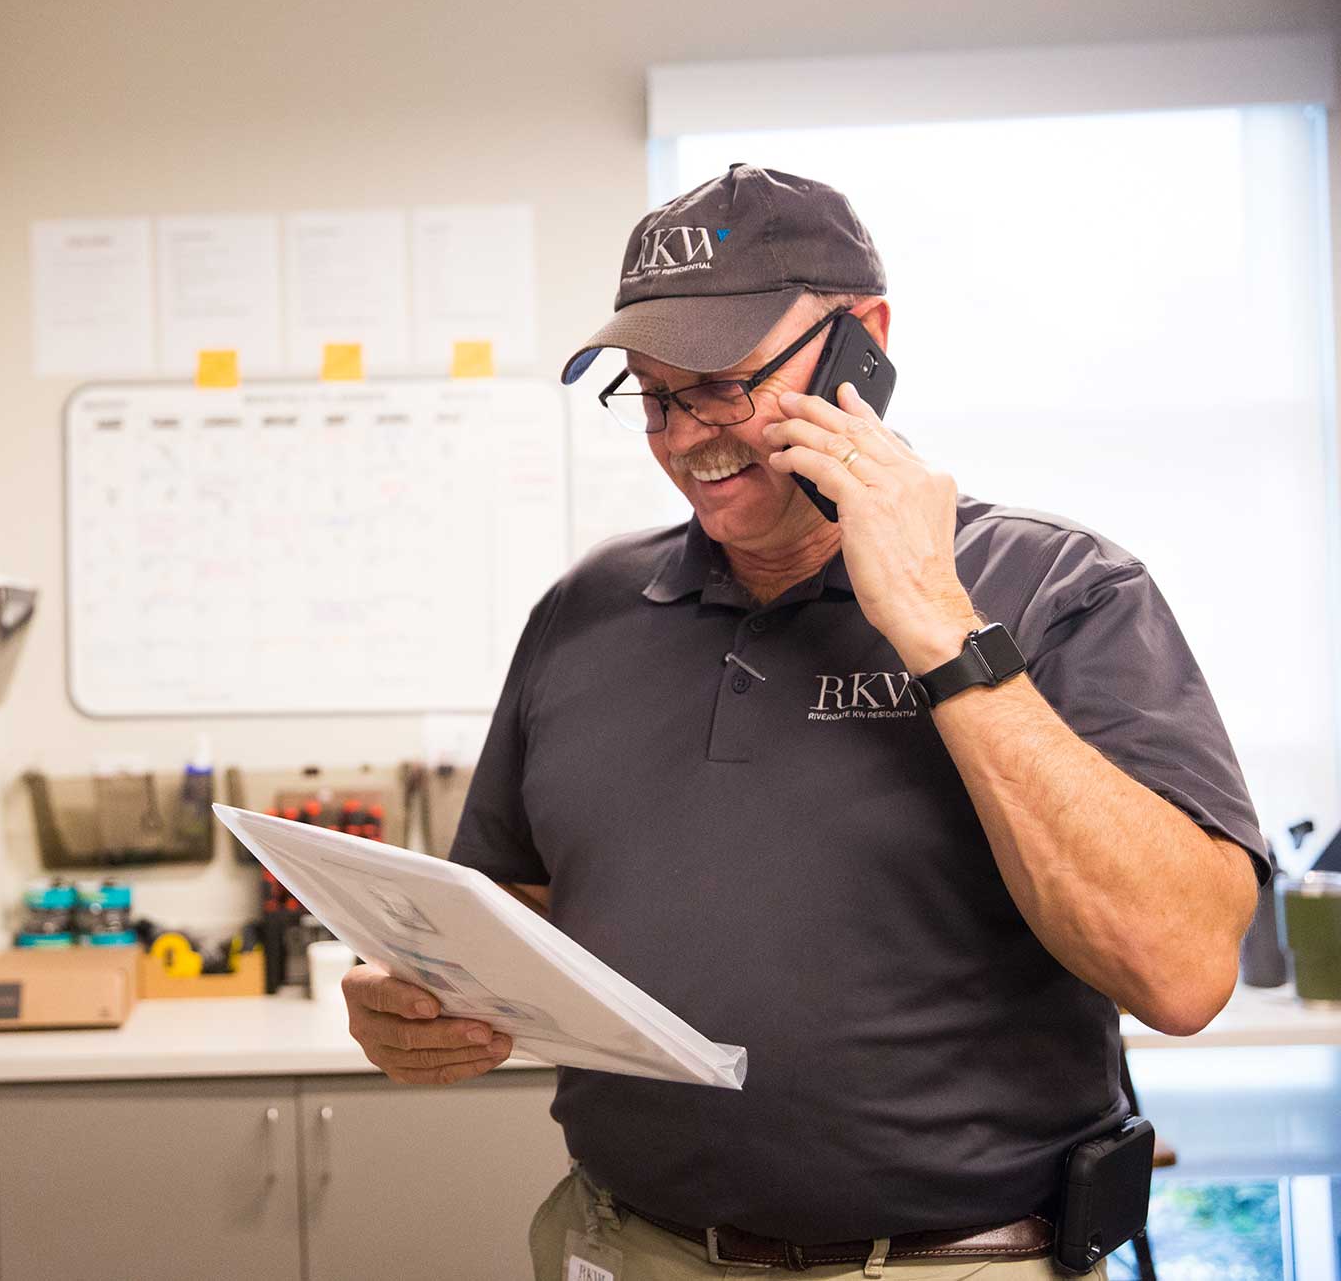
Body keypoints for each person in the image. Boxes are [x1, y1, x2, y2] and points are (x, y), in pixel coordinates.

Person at [340, 165, 1269, 1278]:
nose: (685, 439)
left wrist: (935, 624)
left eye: (724, 386)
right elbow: (518, 913)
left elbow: (1179, 972)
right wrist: (413, 994)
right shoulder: (584, 611)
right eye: (651, 395)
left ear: (860, 344)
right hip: (620, 1244)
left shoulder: (1062, 590)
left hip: (952, 1261)